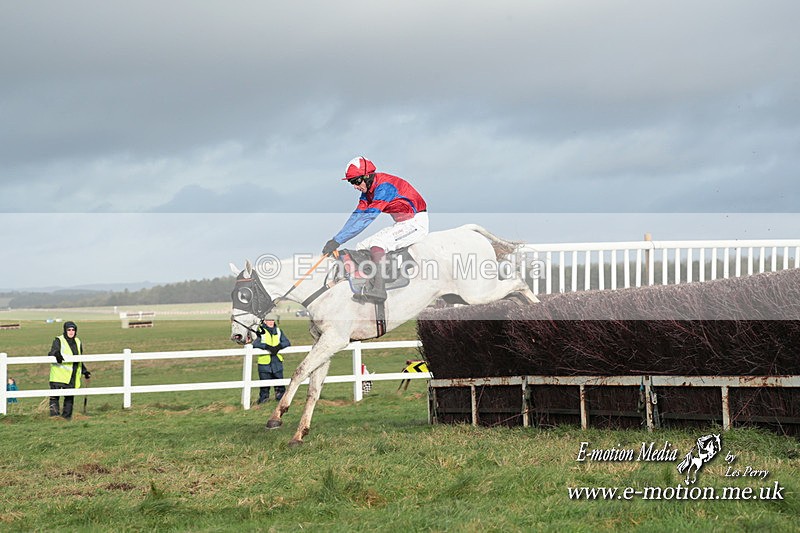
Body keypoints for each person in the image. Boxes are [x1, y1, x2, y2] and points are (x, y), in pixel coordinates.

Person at [322, 156, 429, 303]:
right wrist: (335, 240)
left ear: (367, 176)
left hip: (416, 223)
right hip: (402, 224)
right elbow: (356, 217)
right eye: (351, 182)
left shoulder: (384, 187)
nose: (354, 186)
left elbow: (367, 218)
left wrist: (339, 240)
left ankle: (379, 290)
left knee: (378, 244)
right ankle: (366, 284)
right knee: (362, 246)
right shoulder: (367, 193)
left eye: (356, 181)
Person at [47, 321, 91, 419]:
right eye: (69, 330)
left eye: (73, 330)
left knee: (69, 398)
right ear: (65, 330)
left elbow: (79, 358)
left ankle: (66, 418)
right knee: (54, 397)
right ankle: (54, 417)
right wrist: (56, 354)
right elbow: (52, 352)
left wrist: (84, 371)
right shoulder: (58, 340)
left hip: (72, 375)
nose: (71, 332)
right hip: (58, 375)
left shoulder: (78, 341)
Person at [252, 314, 290, 404]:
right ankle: (263, 401)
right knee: (264, 385)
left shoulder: (278, 331)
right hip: (264, 363)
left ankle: (281, 401)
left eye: (272, 320)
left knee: (280, 384)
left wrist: (279, 346)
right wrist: (267, 347)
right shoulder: (260, 331)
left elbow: (287, 342)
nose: (271, 322)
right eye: (269, 320)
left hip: (277, 362)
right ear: (264, 321)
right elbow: (255, 343)